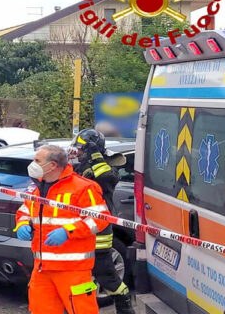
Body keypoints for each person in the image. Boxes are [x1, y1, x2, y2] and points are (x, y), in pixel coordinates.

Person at [15, 145, 110, 314]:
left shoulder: (83, 187)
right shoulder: (37, 188)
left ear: (52, 165)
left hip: (73, 270)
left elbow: (100, 219)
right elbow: (24, 210)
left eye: (37, 161)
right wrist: (22, 223)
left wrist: (69, 231)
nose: (32, 164)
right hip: (42, 268)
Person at [70, 129, 135, 314]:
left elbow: (107, 179)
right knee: (80, 278)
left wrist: (96, 157)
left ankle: (125, 307)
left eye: (81, 149)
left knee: (107, 276)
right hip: (81, 229)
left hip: (99, 232)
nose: (78, 152)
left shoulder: (106, 165)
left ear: (91, 149)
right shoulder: (82, 165)